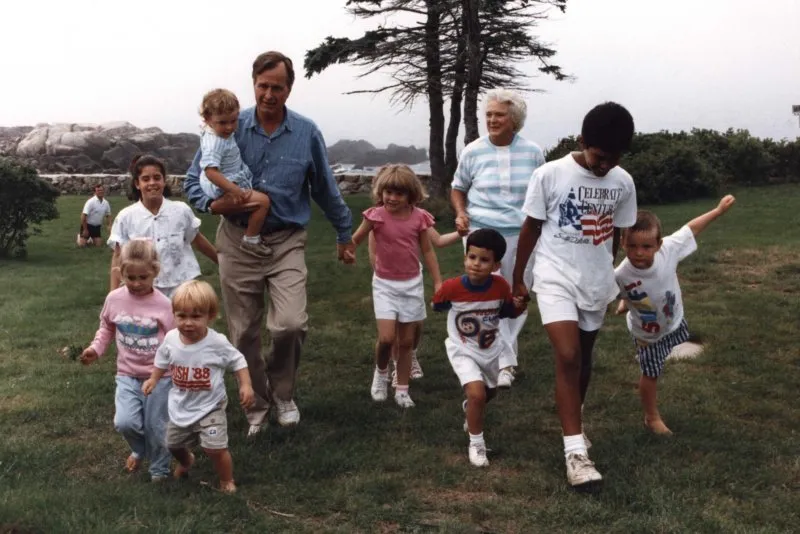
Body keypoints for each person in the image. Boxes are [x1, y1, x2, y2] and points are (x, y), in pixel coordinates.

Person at [183, 51, 354, 435]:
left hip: (286, 241)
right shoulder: (228, 125)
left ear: (289, 89)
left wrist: (345, 233)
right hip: (236, 238)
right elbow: (192, 179)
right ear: (253, 85)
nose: (269, 94)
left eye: (277, 87)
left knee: (290, 324)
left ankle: (283, 392)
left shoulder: (307, 133)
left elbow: (325, 189)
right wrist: (211, 203)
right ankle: (256, 404)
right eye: (263, 86)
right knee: (243, 331)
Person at [512, 102, 637, 489]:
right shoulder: (550, 174)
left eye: (614, 158)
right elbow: (530, 229)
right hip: (554, 275)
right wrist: (519, 279)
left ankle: (574, 422)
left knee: (582, 359)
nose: (605, 165)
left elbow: (619, 234)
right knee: (567, 355)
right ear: (583, 141)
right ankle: (575, 456)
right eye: (600, 156)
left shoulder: (623, 182)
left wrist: (611, 275)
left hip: (595, 280)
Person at [615, 195, 736, 435]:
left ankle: (629, 302)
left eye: (646, 246)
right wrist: (623, 299)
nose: (639, 253)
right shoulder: (619, 275)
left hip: (674, 320)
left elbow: (691, 228)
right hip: (647, 336)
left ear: (659, 245)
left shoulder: (668, 250)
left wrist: (718, 210)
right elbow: (605, 291)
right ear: (622, 244)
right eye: (632, 246)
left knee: (671, 336)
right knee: (651, 373)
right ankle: (651, 417)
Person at [450, 88, 547, 389]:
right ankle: (488, 359)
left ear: (514, 120)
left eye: (499, 115)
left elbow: (543, 195)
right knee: (484, 298)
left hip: (521, 236)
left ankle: (505, 362)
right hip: (481, 235)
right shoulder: (472, 151)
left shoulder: (533, 152)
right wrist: (460, 213)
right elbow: (457, 188)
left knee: (515, 296)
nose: (492, 120)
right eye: (488, 114)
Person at [143, 280, 255, 494]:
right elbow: (162, 359)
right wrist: (153, 379)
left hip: (210, 406)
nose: (188, 323)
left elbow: (238, 361)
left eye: (196, 316)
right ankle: (186, 461)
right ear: (173, 314)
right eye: (181, 316)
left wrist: (246, 385)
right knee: (173, 444)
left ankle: (226, 479)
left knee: (215, 448)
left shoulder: (217, 343)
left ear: (210, 316)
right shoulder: (171, 339)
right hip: (181, 405)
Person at [79, 240, 174, 482]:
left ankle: (159, 470)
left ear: (155, 272)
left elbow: (175, 341)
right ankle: (140, 449)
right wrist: (95, 349)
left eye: (143, 277)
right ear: (121, 273)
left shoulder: (164, 305)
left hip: (159, 376)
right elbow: (106, 328)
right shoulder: (114, 299)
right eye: (130, 277)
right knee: (125, 422)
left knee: (157, 426)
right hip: (127, 373)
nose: (136, 283)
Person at [350, 164, 443, 408]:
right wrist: (347, 250)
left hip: (411, 284)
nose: (392, 198)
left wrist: (438, 281)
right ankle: (380, 373)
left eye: (399, 193)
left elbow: (428, 250)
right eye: (388, 192)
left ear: (411, 195)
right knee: (387, 338)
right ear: (381, 192)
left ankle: (402, 390)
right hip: (384, 284)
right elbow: (355, 239)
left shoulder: (419, 218)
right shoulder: (375, 216)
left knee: (406, 343)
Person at [432, 229, 526, 467]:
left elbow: (505, 313)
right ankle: (477, 444)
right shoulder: (451, 288)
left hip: (490, 350)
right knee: (476, 393)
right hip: (462, 349)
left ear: (496, 264)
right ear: (465, 257)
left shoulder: (500, 287)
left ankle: (470, 408)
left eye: (484, 260)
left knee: (487, 394)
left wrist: (517, 307)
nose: (476, 264)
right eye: (471, 257)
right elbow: (438, 305)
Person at [368, 227, 466, 388]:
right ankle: (396, 367)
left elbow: (439, 240)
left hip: (411, 279)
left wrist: (461, 233)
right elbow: (373, 253)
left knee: (416, 323)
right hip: (387, 281)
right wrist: (383, 278)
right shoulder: (377, 219)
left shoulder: (418, 218)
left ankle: (411, 356)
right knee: (394, 327)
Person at [108, 155, 218, 298]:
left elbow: (196, 239)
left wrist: (221, 262)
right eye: (145, 179)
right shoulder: (126, 217)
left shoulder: (181, 210)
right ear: (137, 183)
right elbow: (117, 255)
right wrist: (113, 295)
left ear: (164, 181)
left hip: (182, 285)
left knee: (184, 320)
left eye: (157, 177)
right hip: (146, 287)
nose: (152, 183)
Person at [197, 88, 271, 252]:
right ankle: (251, 239)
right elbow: (211, 171)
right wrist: (234, 190)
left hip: (229, 177)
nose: (230, 127)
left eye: (234, 120)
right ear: (208, 119)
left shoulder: (214, 129)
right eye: (223, 122)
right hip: (223, 183)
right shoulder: (215, 142)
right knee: (263, 203)